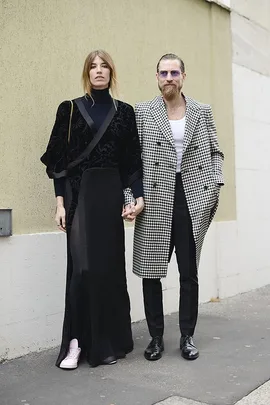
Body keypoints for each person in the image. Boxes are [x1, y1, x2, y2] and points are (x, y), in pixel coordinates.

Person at [41, 50, 144, 369]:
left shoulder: (125, 112)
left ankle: (107, 343)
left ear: (112, 72)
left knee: (109, 269)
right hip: (79, 195)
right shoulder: (69, 109)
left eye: (104, 66)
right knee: (82, 269)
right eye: (93, 66)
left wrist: (133, 198)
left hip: (111, 194)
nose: (99, 71)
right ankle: (75, 343)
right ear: (87, 72)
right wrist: (60, 203)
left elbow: (131, 162)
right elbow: (57, 162)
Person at [123, 53, 224, 361]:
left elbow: (216, 152)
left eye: (174, 72)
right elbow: (130, 162)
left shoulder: (201, 110)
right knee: (151, 272)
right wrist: (130, 198)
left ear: (183, 76)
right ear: (156, 77)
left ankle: (187, 336)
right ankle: (155, 338)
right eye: (163, 72)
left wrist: (215, 186)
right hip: (154, 198)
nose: (169, 77)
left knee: (188, 273)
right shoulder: (143, 111)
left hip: (192, 197)